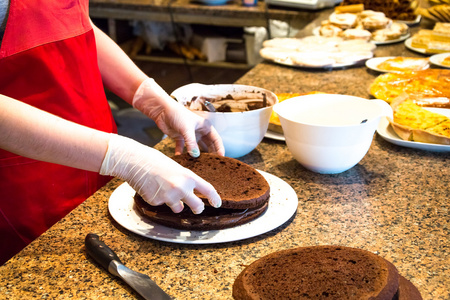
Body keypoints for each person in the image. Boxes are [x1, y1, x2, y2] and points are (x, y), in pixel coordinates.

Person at [0, 0, 224, 265]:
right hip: (27, 182)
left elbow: (77, 24)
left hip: (98, 161)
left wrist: (155, 101)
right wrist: (123, 157)